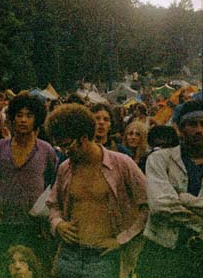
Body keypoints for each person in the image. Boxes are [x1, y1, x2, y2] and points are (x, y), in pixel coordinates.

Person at [137, 100, 203, 278]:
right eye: (192, 124)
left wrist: (186, 200)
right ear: (180, 128)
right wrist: (202, 224)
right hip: (162, 252)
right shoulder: (160, 160)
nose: (198, 130)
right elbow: (161, 205)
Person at [46, 104, 148, 278]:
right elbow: (53, 204)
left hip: (104, 258)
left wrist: (122, 240)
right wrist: (58, 224)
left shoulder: (122, 164)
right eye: (60, 146)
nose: (64, 151)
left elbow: (147, 205)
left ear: (84, 138)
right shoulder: (65, 168)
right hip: (69, 255)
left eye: (67, 145)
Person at [0, 92, 58, 277]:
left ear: (37, 120)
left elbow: (55, 184)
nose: (23, 120)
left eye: (29, 116)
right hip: (2, 225)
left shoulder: (46, 150)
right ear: (12, 119)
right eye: (19, 115)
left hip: (34, 227)